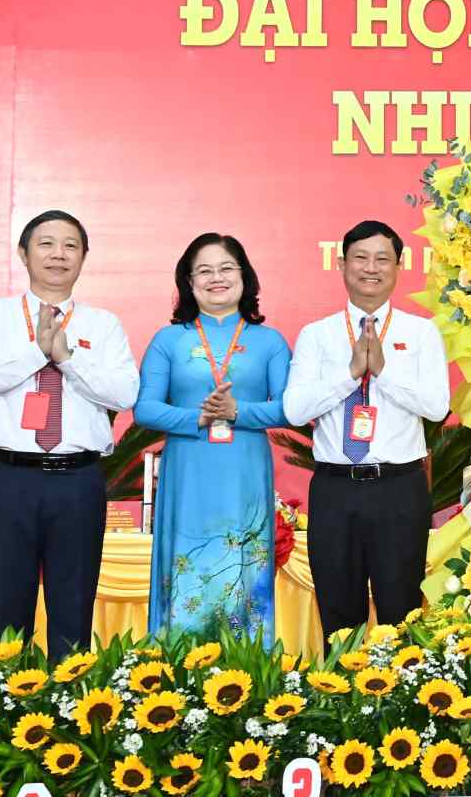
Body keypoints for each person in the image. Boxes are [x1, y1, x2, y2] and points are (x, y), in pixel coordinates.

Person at [0, 210, 139, 660]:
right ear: (23, 253)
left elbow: (124, 391)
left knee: (73, 608)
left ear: (83, 258)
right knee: (6, 605)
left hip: (78, 481)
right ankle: (2, 715)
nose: (59, 254)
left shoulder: (103, 324)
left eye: (70, 245)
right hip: (9, 478)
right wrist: (37, 351)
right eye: (46, 243)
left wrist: (68, 357)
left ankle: (71, 715)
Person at [284, 221, 449, 643]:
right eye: (360, 257)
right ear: (342, 265)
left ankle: (402, 700)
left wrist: (382, 373)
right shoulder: (317, 336)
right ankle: (343, 700)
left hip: (399, 488)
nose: (370, 268)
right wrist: (350, 374)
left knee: (402, 612)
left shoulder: (421, 332)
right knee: (339, 614)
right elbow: (295, 408)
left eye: (382, 259)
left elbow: (436, 407)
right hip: (336, 489)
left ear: (398, 266)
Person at [134, 233, 291, 641]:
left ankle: (249, 670)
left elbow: (290, 408)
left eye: (226, 268)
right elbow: (145, 408)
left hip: (245, 473)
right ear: (188, 282)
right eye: (203, 271)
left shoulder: (269, 341)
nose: (215, 278)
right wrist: (197, 417)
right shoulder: (169, 340)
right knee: (188, 571)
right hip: (188, 473)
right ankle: (180, 670)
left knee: (243, 573)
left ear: (245, 277)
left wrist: (238, 412)